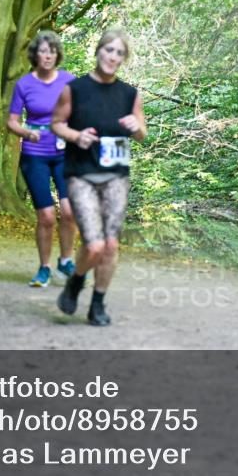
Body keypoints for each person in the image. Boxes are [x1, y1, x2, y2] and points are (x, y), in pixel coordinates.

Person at [51, 29, 146, 326]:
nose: (112, 57)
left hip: (116, 176)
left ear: (123, 59)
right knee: (93, 246)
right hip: (81, 174)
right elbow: (56, 124)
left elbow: (142, 134)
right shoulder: (75, 89)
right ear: (98, 51)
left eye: (119, 53)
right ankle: (76, 282)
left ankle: (98, 304)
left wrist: (136, 126)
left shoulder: (130, 94)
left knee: (111, 245)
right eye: (108, 50)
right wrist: (75, 135)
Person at [7, 30, 77, 287]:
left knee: (70, 211)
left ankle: (66, 260)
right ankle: (44, 267)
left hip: (65, 153)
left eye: (51, 51)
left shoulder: (70, 81)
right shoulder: (24, 85)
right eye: (42, 51)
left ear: (57, 55)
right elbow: (11, 122)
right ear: (35, 55)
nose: (47, 56)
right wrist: (26, 132)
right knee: (46, 216)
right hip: (35, 155)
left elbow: (82, 114)